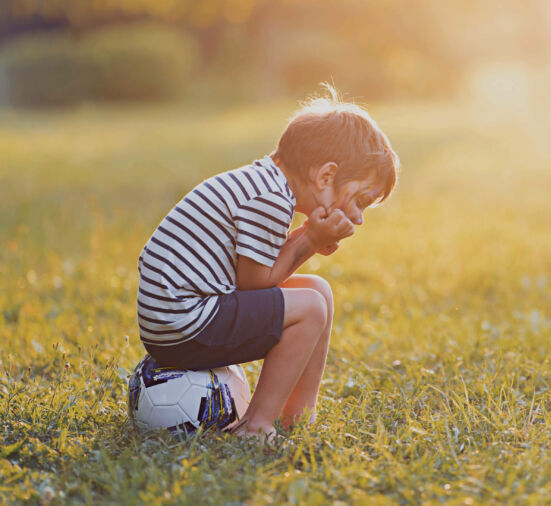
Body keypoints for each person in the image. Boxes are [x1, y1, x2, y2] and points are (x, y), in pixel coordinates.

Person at [136, 85, 399, 441]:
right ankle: (255, 425)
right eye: (360, 201)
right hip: (182, 327)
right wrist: (309, 239)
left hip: (179, 317)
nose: (359, 217)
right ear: (325, 177)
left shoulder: (265, 183)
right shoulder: (269, 199)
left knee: (317, 289)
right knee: (309, 309)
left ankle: (298, 417)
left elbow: (258, 274)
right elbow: (256, 283)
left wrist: (307, 238)